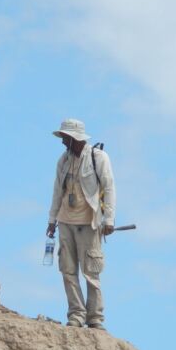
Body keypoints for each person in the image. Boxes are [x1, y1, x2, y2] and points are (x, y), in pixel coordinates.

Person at [46, 119, 116, 329]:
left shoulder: (98, 158)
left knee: (91, 272)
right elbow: (57, 191)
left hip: (89, 223)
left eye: (65, 138)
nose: (63, 142)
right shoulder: (63, 161)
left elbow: (109, 187)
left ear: (75, 138)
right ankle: (76, 315)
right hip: (65, 221)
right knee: (67, 270)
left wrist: (109, 219)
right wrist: (51, 220)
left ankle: (94, 318)